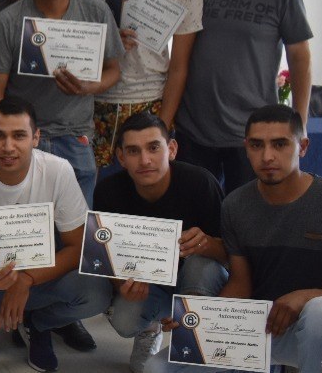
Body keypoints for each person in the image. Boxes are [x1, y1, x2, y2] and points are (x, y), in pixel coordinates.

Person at [146, 105, 322, 373]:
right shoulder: (235, 204)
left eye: (280, 144)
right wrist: (198, 319)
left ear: (302, 147)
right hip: (260, 327)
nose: (267, 156)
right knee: (156, 368)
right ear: (246, 148)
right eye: (257, 145)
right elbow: (241, 283)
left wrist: (305, 298)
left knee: (321, 310)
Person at [0, 98, 112, 372]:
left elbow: (78, 246)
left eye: (19, 136)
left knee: (96, 292)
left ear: (36, 137)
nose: (8, 146)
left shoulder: (58, 170)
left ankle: (39, 323)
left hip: (40, 276)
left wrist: (26, 279)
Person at [176, 0, 313, 194]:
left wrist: (299, 122)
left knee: (249, 213)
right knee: (195, 212)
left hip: (255, 134)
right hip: (194, 130)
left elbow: (300, 58)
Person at [0, 0, 124, 206]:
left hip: (75, 135)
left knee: (76, 223)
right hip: (23, 138)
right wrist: (9, 135)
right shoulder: (8, 20)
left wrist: (89, 87)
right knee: (22, 221)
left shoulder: (96, 12)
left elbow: (114, 70)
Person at [77, 0, 203, 174]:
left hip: (148, 102)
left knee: (140, 190)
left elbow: (179, 68)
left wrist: (163, 126)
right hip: (92, 96)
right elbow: (72, 24)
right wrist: (106, 39)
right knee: (89, 186)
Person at [92, 112, 227, 372]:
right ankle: (150, 329)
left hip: (197, 279)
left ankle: (194, 335)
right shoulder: (108, 192)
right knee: (124, 320)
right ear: (121, 157)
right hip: (149, 281)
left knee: (202, 265)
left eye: (153, 148)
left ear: (172, 149)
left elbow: (232, 255)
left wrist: (207, 244)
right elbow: (106, 256)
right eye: (133, 151)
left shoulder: (201, 183)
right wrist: (122, 285)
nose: (145, 160)